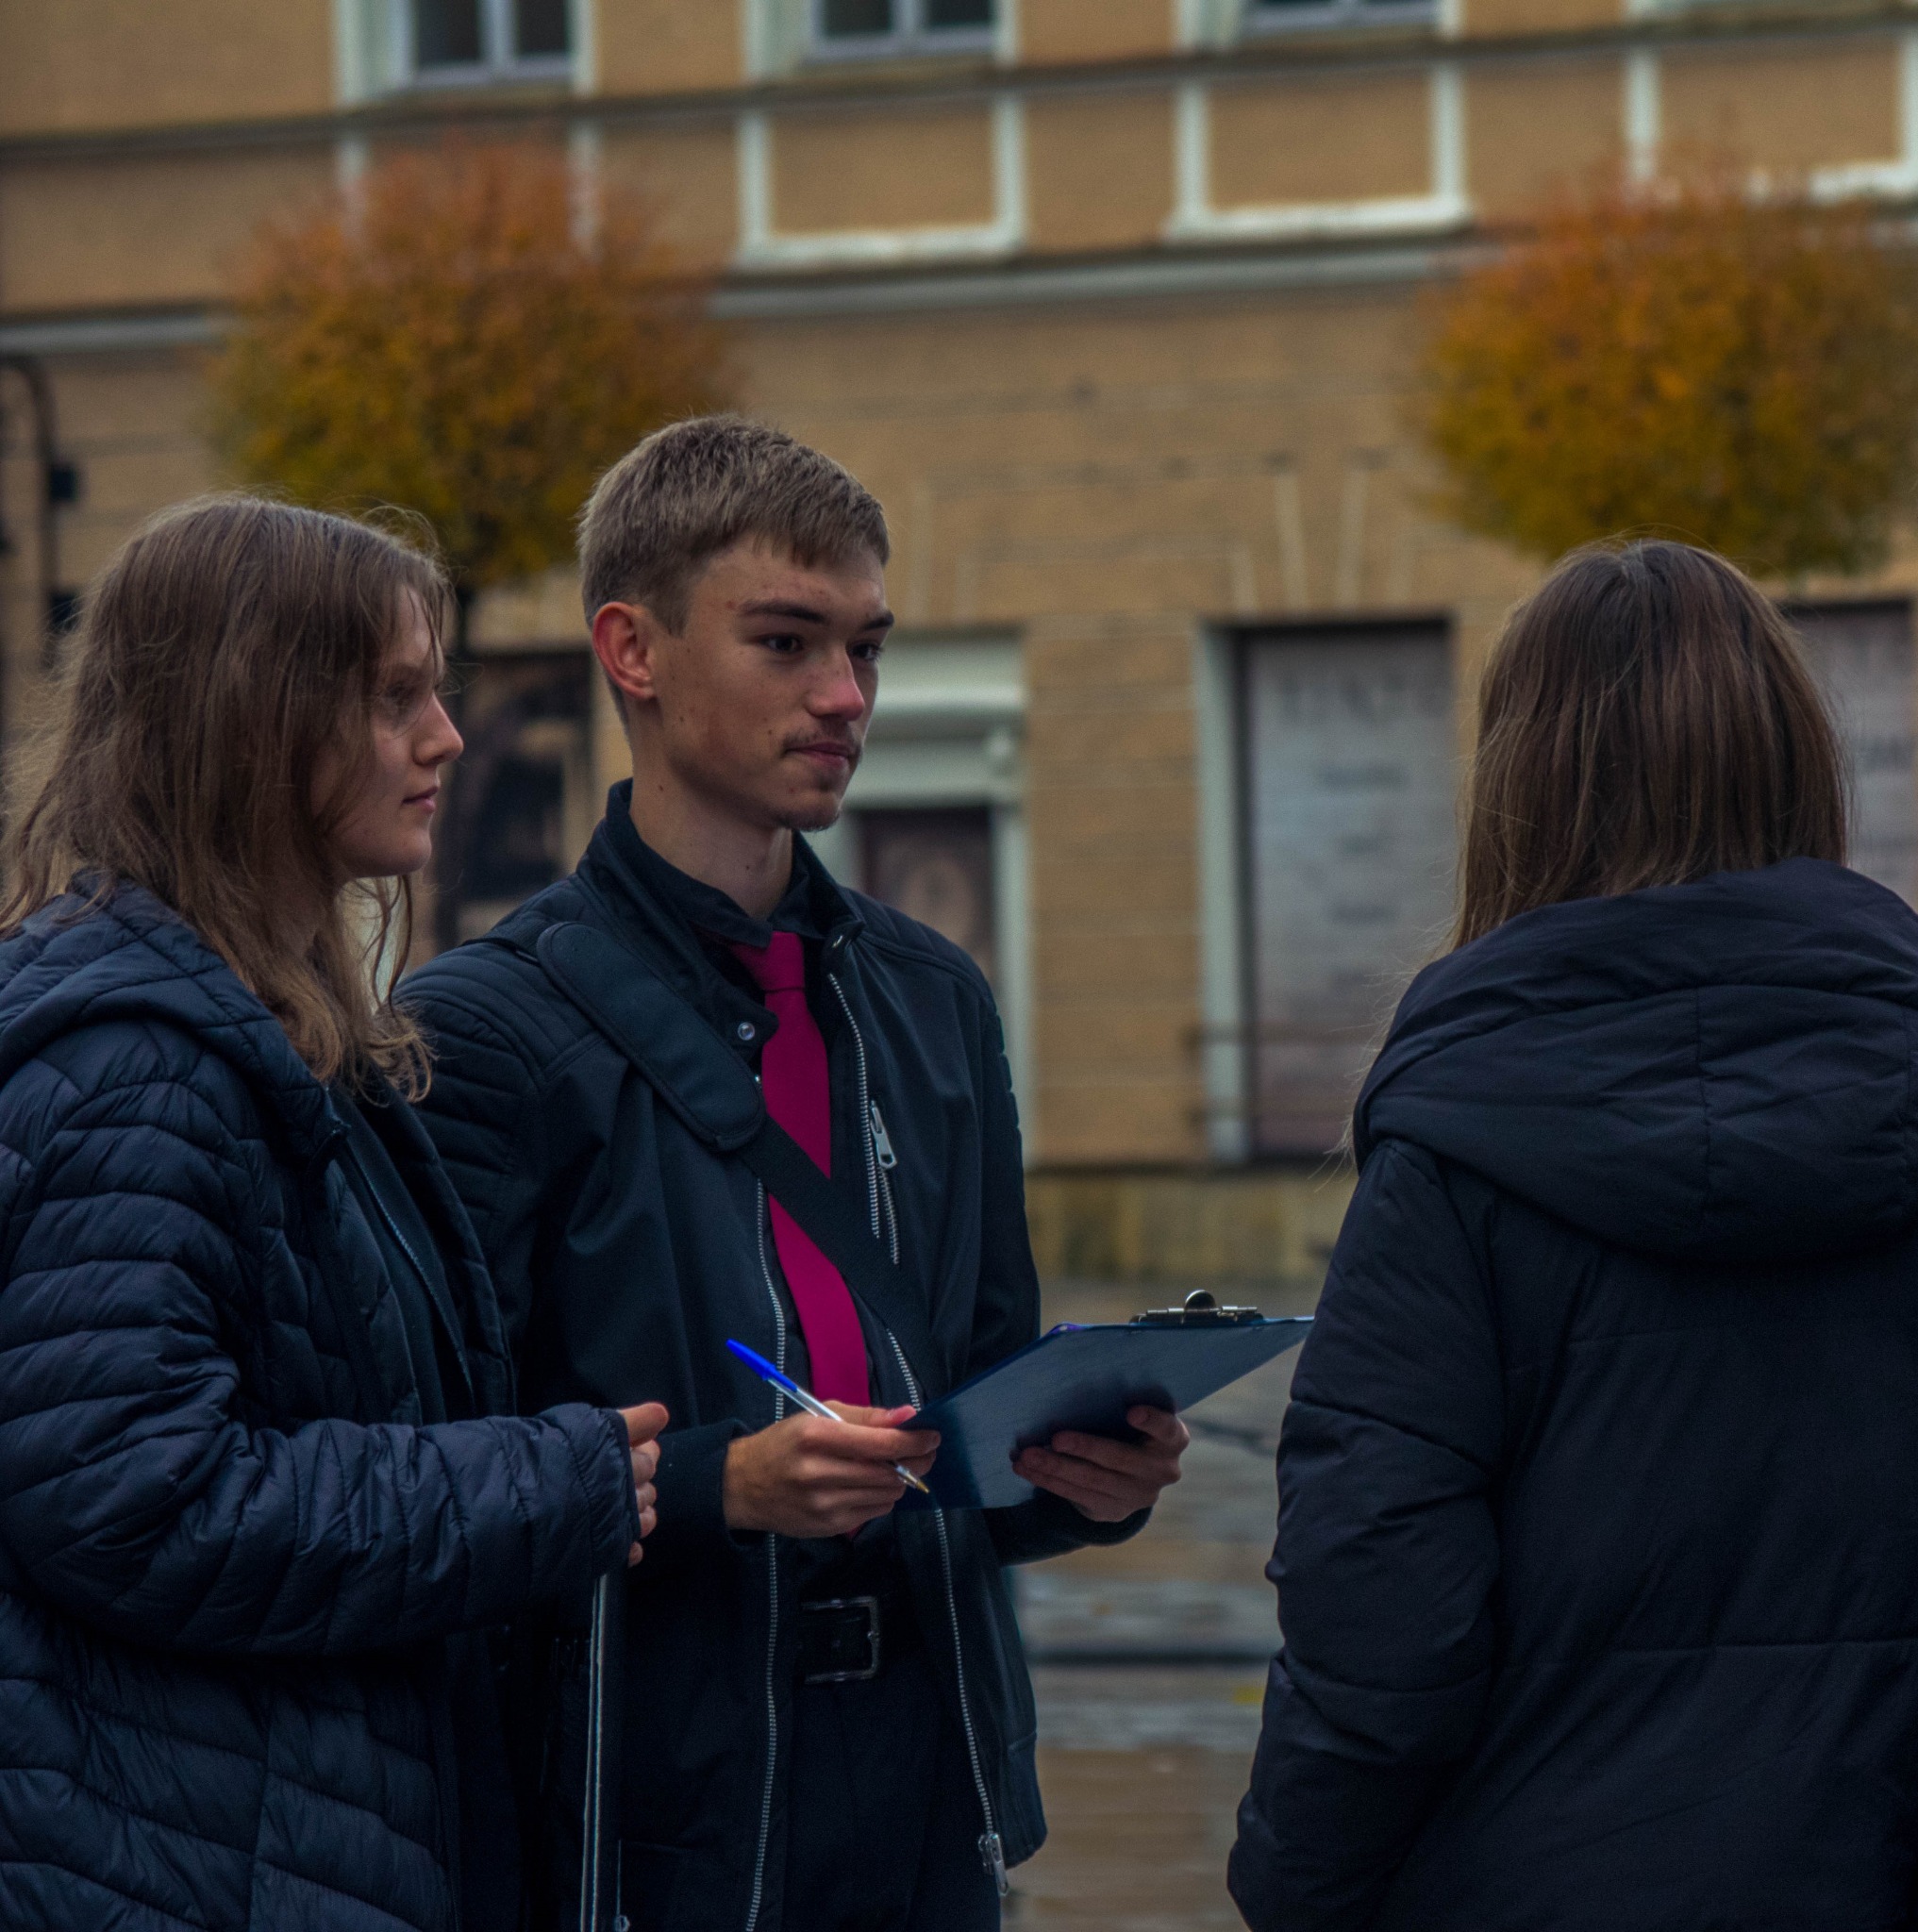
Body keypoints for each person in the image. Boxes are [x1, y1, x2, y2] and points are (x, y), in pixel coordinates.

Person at [406, 414, 1191, 1932]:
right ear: (629, 648)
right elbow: (431, 1480)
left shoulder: (933, 997)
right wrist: (719, 1486)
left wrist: (1083, 1483)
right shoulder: (484, 1031)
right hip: (650, 1810)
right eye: (785, 642)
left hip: (930, 1793)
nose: (844, 698)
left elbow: (977, 1384)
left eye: (866, 650)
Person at [1228, 538, 1918, 1930]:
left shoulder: (1453, 1145)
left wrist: (1294, 1885)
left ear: (1524, 788)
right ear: (1795, 761)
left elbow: (1379, 1611)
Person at [0, 496, 667, 1932]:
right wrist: (541, 1488)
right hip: (179, 1859)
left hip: (278, 1835)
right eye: (392, 697)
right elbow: (132, 1500)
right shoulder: (139, 1063)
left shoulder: (269, 1027)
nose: (445, 738)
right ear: (254, 717)